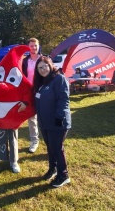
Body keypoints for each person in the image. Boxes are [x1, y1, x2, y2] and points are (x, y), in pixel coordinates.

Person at [33, 56, 72, 188]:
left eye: (44, 66)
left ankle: (64, 175)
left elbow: (64, 99)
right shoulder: (43, 82)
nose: (42, 69)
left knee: (56, 148)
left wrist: (59, 117)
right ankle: (53, 169)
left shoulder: (59, 79)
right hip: (45, 122)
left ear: (50, 65)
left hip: (57, 122)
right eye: (39, 68)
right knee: (50, 147)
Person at [22, 37, 41, 153]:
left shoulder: (44, 59)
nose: (33, 48)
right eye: (31, 46)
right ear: (28, 47)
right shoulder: (25, 60)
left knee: (44, 117)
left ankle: (50, 141)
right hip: (29, 91)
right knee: (32, 118)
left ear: (38, 46)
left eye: (35, 45)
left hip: (42, 91)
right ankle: (34, 141)